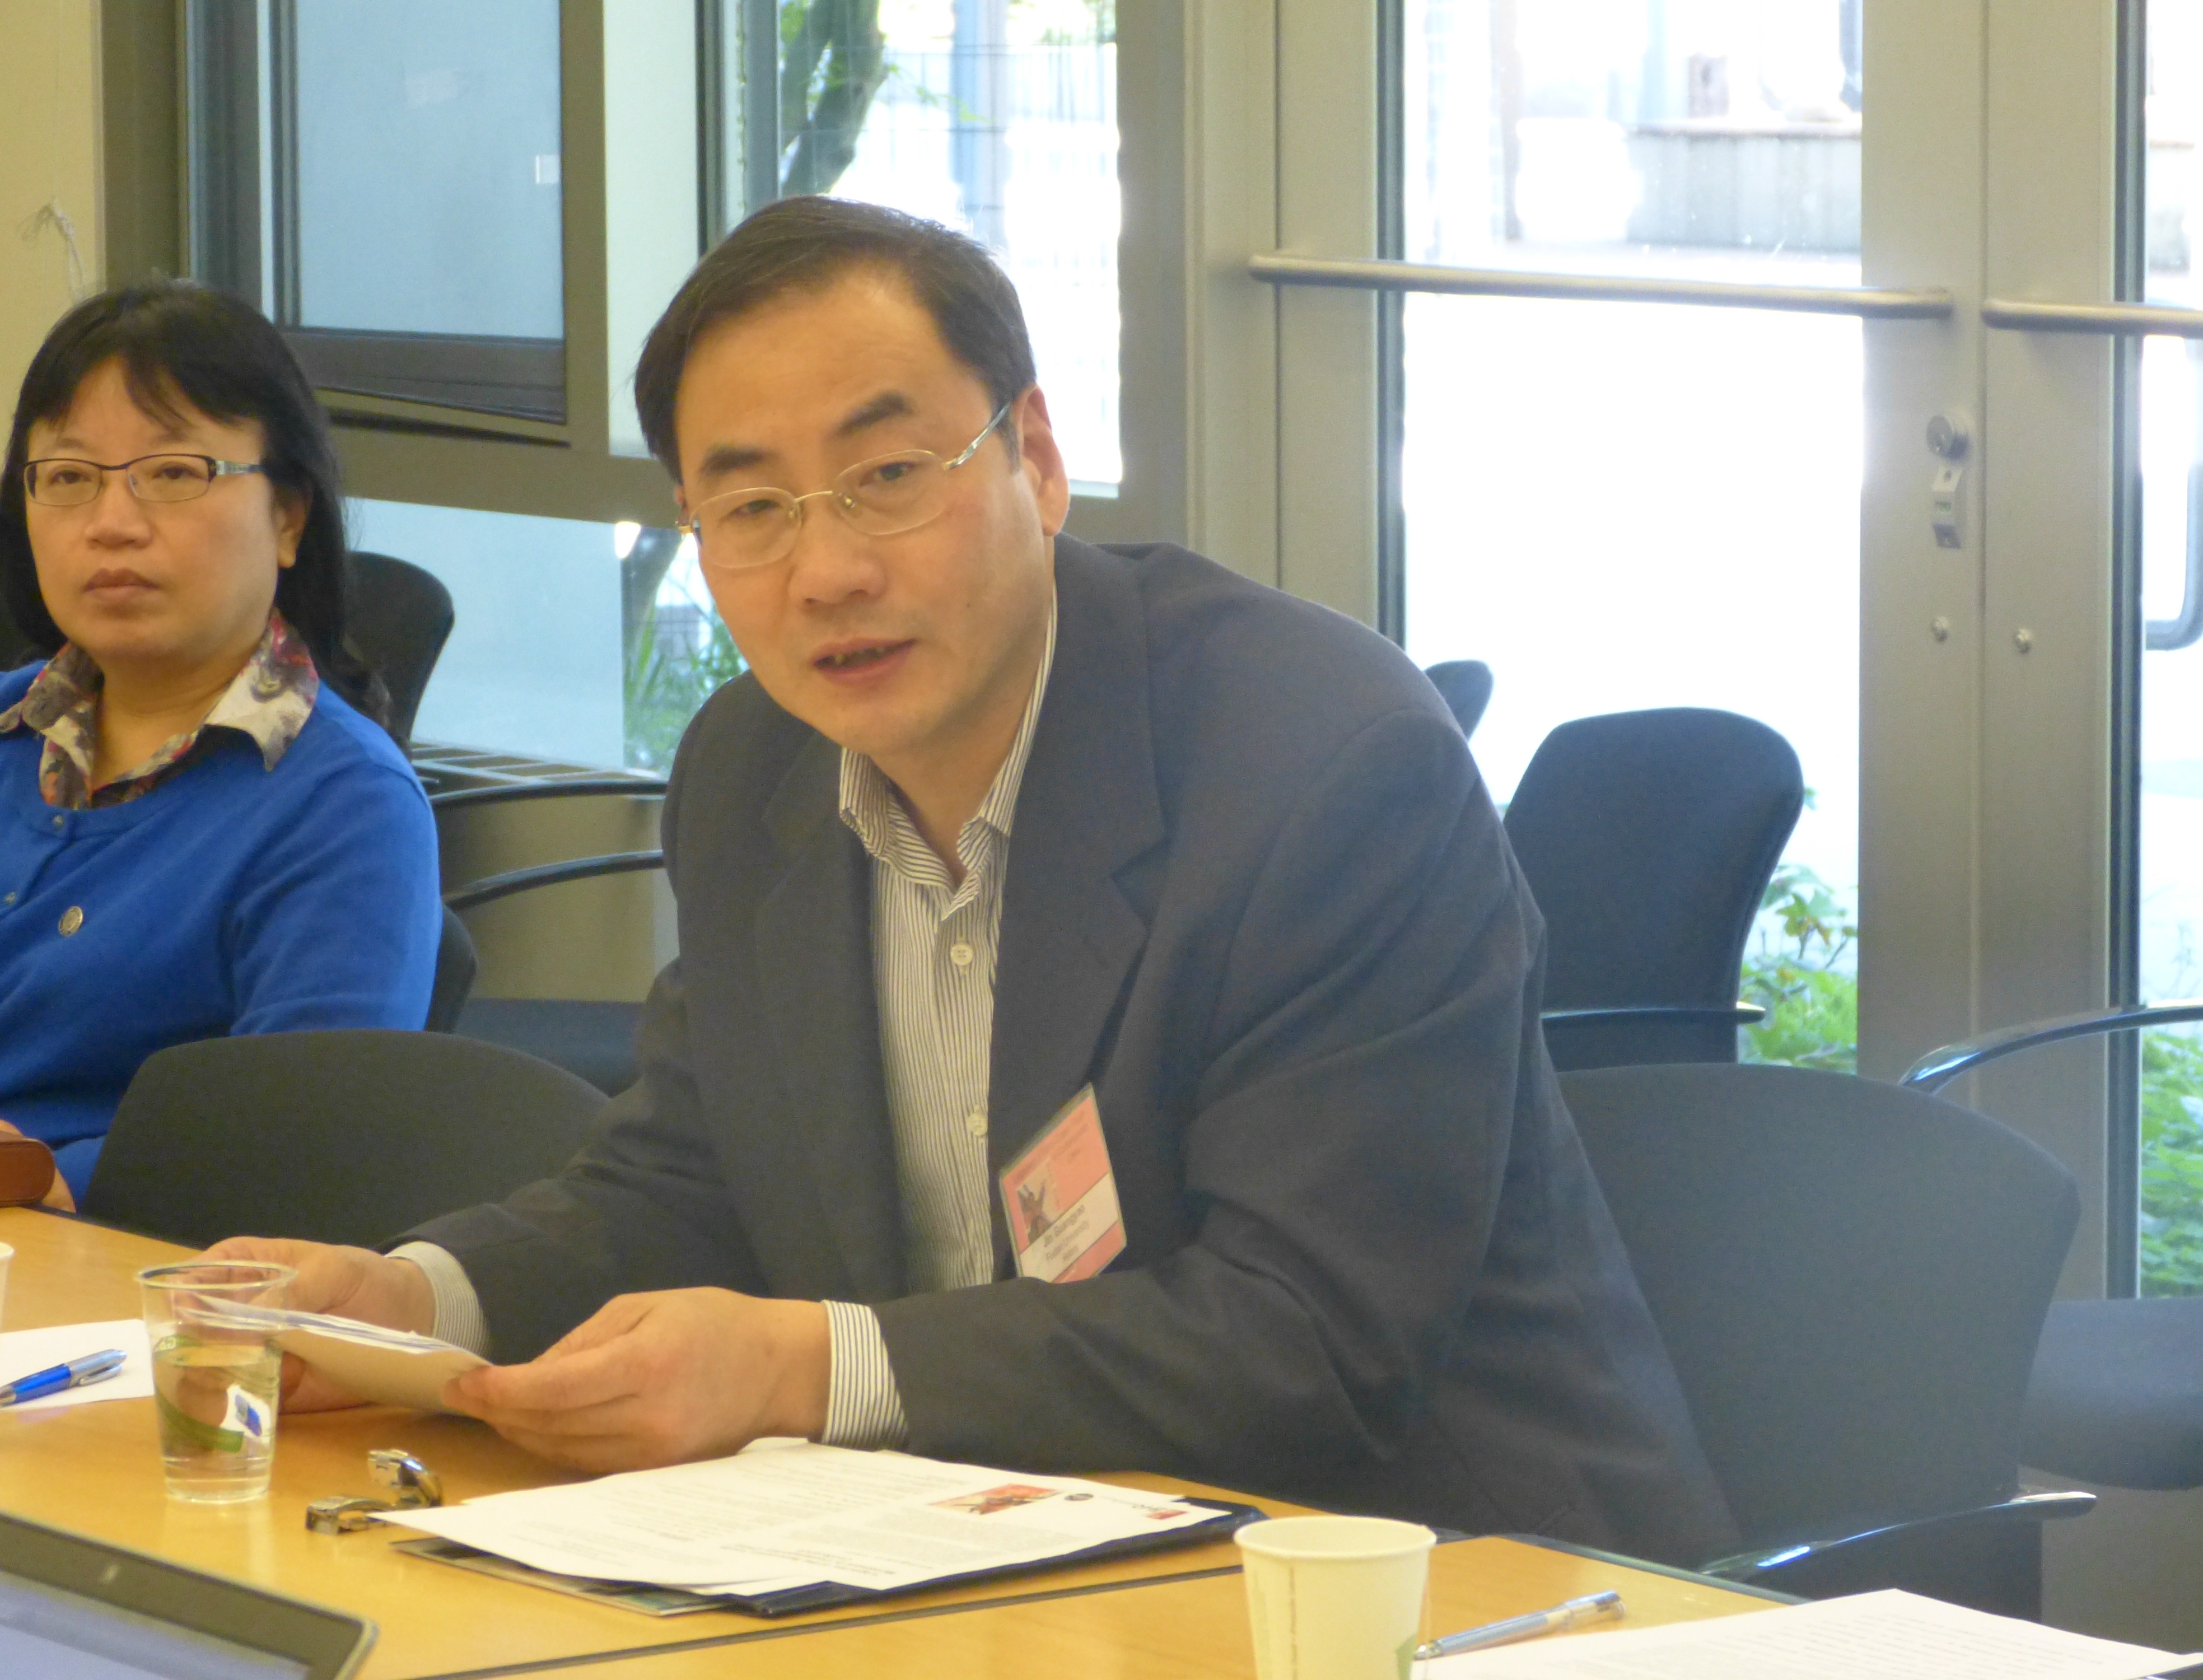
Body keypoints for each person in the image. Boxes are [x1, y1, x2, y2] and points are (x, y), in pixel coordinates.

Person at [213, 198, 1737, 1564]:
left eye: (887, 476)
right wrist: (421, 1301)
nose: (827, 572)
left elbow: (1309, 1339)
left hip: (1449, 1582)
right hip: (983, 1556)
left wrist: (806, 1368)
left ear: (1038, 459)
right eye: (752, 508)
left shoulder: (1325, 766)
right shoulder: (753, 766)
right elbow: (691, 1174)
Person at [0, 281, 442, 1202]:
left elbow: (301, 1144)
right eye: (68, 478)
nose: (112, 523)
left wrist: (25, 1180)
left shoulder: (345, 807)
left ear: (289, 515)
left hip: (108, 1264)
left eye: (174, 472)